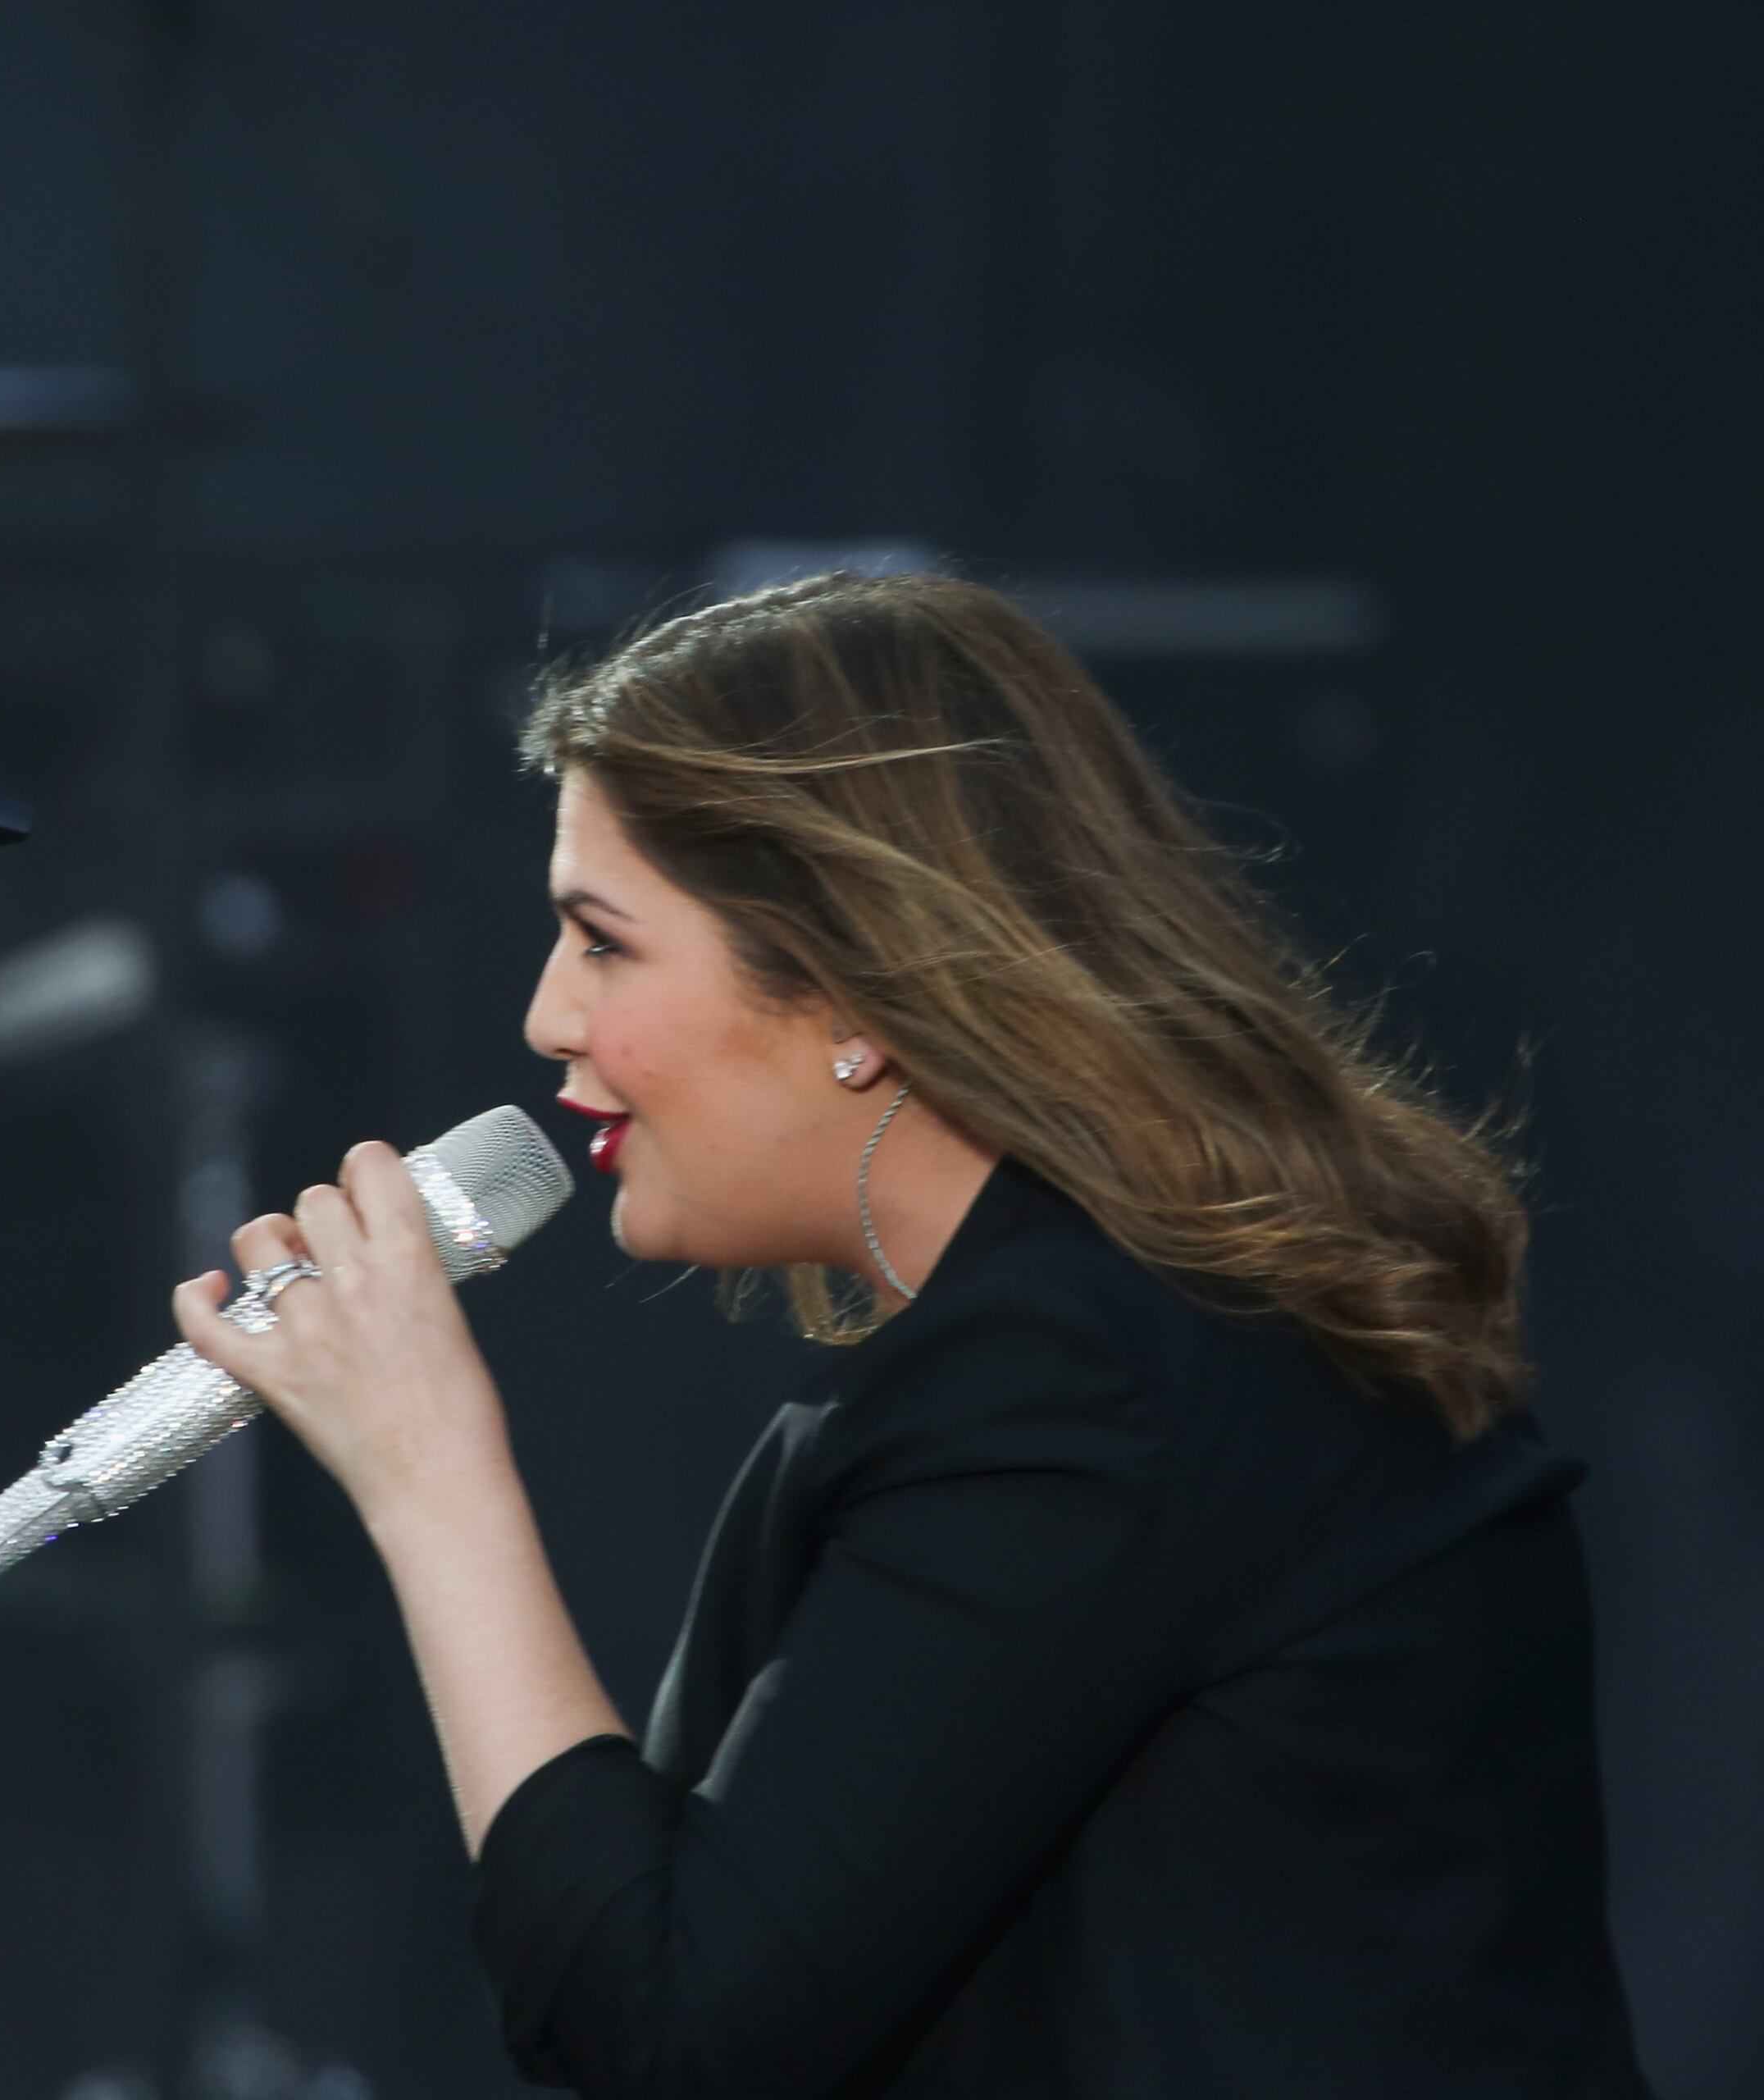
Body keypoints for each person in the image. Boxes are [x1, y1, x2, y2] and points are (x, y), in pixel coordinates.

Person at [176, 572, 1651, 2097]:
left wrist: (429, 1475)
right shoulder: (1120, 1344)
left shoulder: (1079, 1384)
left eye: (605, 943)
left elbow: (667, 2028)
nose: (551, 1018)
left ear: (852, 989)